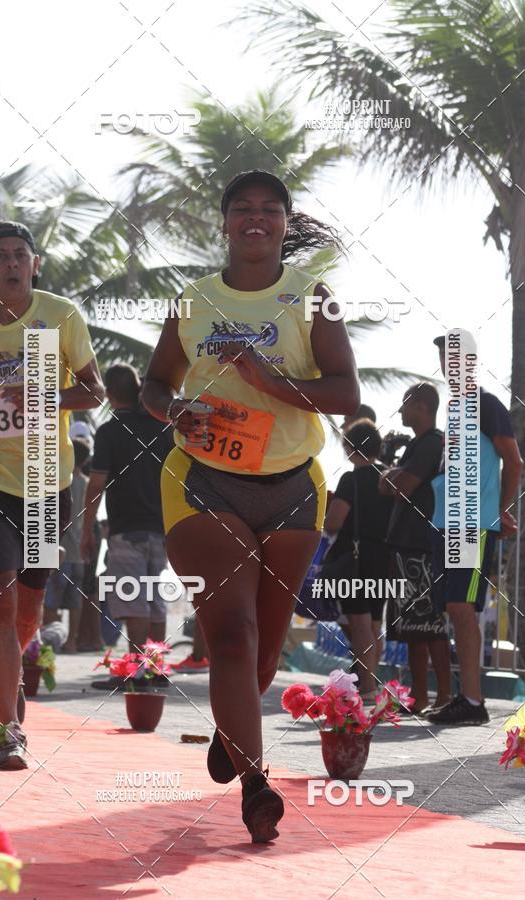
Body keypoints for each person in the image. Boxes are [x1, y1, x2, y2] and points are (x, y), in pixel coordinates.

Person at [141, 169, 359, 843]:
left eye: (270, 209)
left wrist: (269, 379)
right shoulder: (194, 300)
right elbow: (154, 384)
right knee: (231, 635)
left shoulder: (312, 298)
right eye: (243, 208)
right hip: (203, 480)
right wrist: (173, 409)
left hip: (293, 486)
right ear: (226, 221)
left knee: (262, 652)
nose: (256, 218)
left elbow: (346, 393)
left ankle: (230, 732)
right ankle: (256, 785)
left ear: (284, 224)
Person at [0, 221, 104, 769]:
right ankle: (9, 730)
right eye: (1, 256)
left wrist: (45, 396)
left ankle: (9, 671)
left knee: (28, 608)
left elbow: (94, 391)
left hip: (45, 479)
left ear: (35, 264)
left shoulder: (59, 315)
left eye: (21, 254)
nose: (12, 264)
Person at [426, 335, 523, 725]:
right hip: (445, 520)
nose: (449, 366)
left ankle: (472, 701)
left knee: (462, 608)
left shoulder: (486, 404)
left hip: (470, 522)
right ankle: (465, 698)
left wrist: (499, 511)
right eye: (444, 359)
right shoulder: (455, 408)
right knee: (454, 607)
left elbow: (513, 461)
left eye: (455, 359)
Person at [81, 363, 174, 670]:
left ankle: (137, 669)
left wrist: (87, 530)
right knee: (155, 601)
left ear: (109, 394)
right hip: (161, 528)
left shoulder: (109, 432)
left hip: (125, 530)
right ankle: (155, 667)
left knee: (134, 603)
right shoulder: (162, 429)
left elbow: (96, 485)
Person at [379, 383, 451, 714]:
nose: (401, 410)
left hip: (421, 545)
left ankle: (444, 696)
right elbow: (388, 485)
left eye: (405, 404)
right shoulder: (418, 444)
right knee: (413, 626)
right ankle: (421, 697)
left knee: (431, 624)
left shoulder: (433, 442)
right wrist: (392, 471)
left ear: (421, 407)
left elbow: (401, 488)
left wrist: (392, 475)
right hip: (407, 544)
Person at [323, 419, 393, 695]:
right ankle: (371, 683)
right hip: (383, 556)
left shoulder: (350, 479)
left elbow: (334, 523)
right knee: (375, 623)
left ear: (350, 448)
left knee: (360, 623)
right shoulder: (389, 477)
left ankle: (367, 685)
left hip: (355, 559)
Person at [42, 440, 90, 652]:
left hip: (58, 548)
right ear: (86, 460)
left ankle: (50, 642)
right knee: (75, 601)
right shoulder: (87, 483)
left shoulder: (60, 481)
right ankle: (71, 642)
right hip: (78, 551)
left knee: (51, 599)